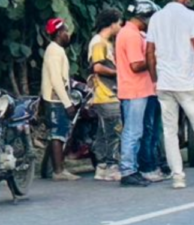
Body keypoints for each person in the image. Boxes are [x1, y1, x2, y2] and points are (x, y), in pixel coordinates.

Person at [146, 0, 194, 189]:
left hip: (164, 83)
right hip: (186, 82)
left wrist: (155, 78)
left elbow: (149, 52)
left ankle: (178, 177)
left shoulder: (156, 18)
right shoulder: (191, 17)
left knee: (170, 131)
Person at [117, 0, 165, 187]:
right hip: (134, 89)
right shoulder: (132, 36)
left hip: (137, 89)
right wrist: (153, 58)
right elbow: (136, 65)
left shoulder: (130, 32)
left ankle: (132, 168)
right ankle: (128, 170)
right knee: (133, 131)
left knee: (136, 131)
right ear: (144, 17)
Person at [41, 18, 80, 181]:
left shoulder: (56, 50)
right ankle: (59, 170)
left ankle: (47, 168)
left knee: (57, 134)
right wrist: (67, 103)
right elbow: (56, 80)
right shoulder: (55, 51)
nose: (68, 34)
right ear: (59, 33)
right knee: (58, 135)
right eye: (65, 31)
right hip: (56, 99)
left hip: (56, 98)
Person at [88, 9, 124, 183]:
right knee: (114, 133)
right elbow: (97, 67)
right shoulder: (99, 43)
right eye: (119, 22)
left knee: (103, 133)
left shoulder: (105, 43)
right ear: (112, 24)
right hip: (107, 94)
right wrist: (117, 73)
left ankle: (101, 167)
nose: (120, 26)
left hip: (105, 95)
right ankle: (111, 167)